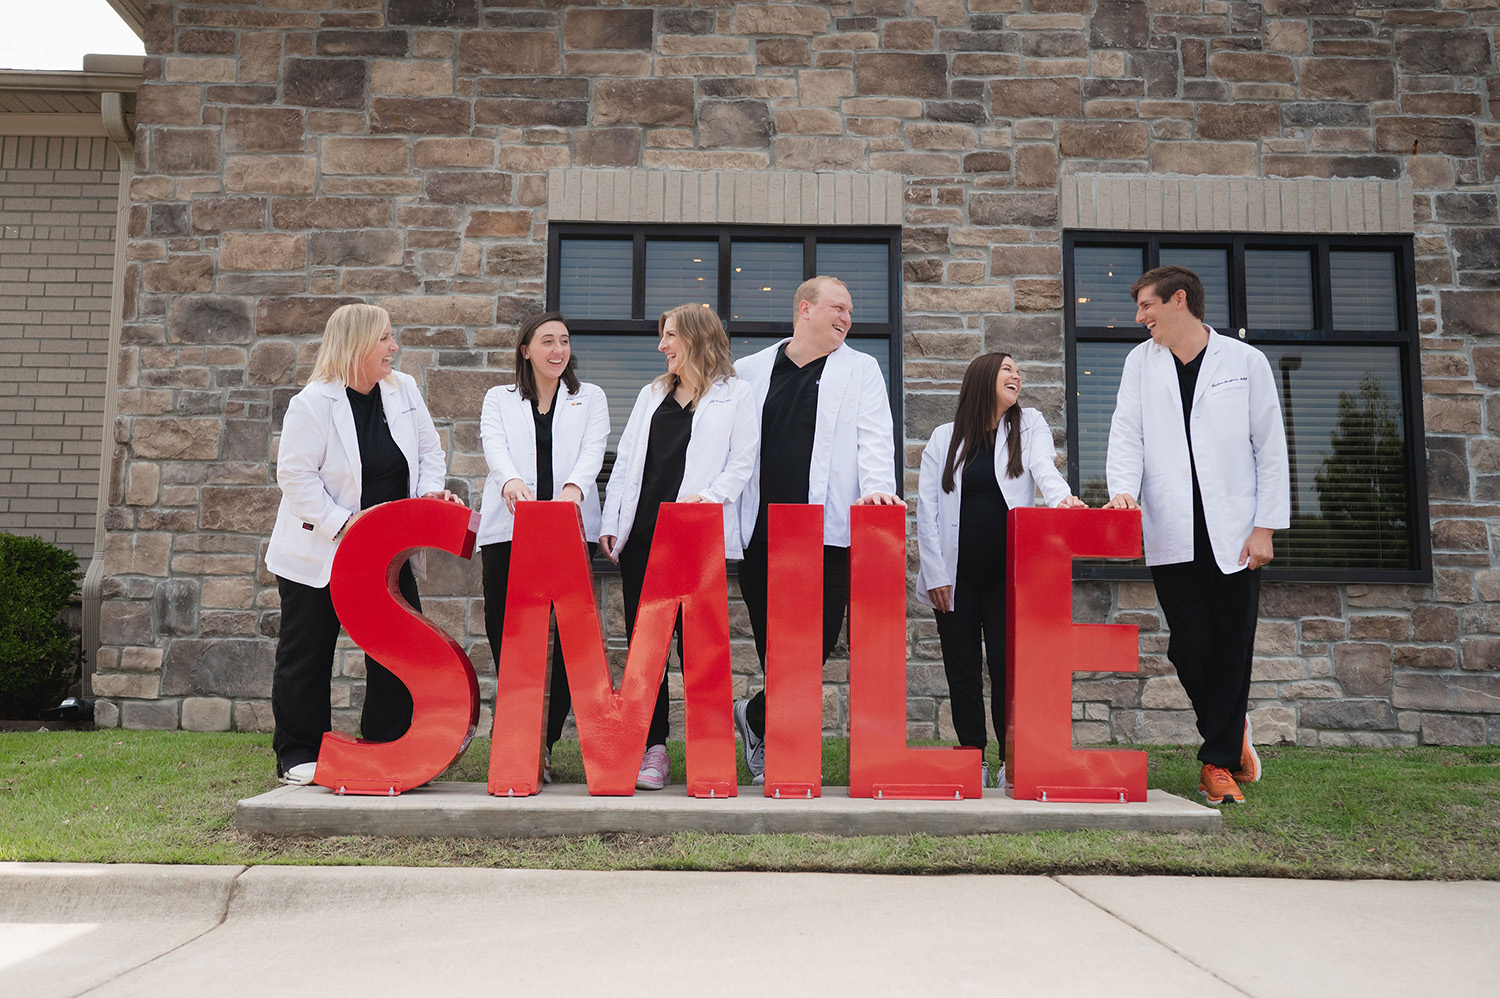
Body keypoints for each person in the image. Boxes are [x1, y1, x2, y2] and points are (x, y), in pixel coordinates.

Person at [1104, 265, 1290, 805]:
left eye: (1147, 307)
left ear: (1178, 300)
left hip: (1235, 529)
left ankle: (1218, 761)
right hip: (1172, 525)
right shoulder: (1141, 363)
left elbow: (1270, 448)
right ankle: (1231, 728)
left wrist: (1264, 528)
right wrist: (1123, 491)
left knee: (1232, 643)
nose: (1140, 318)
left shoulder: (1244, 361)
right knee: (1189, 646)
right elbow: (1126, 431)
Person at [264, 303, 464, 786]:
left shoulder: (405, 390)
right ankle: (298, 754)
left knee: (400, 653)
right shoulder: (312, 403)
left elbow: (428, 453)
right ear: (356, 344)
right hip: (320, 551)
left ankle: (389, 748)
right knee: (306, 655)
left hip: (385, 555)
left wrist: (430, 494)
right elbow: (295, 477)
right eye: (385, 339)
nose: (394, 348)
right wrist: (346, 523)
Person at [732, 276, 902, 785]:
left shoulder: (861, 369)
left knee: (818, 643)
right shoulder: (749, 371)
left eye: (851, 311)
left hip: (826, 533)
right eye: (838, 307)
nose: (847, 317)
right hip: (762, 532)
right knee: (773, 649)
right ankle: (780, 749)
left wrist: (877, 487)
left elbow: (875, 436)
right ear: (805, 308)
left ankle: (755, 716)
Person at [599, 305, 759, 790]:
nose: (662, 345)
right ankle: (653, 751)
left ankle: (709, 751)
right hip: (645, 533)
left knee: (698, 650)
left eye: (669, 336)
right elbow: (627, 461)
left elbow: (741, 463)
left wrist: (705, 500)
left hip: (694, 533)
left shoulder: (737, 395)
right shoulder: (653, 393)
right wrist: (612, 522)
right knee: (646, 650)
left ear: (695, 337)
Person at [916, 352, 1086, 789]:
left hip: (1009, 578)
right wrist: (935, 573)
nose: (1018, 375)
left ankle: (1014, 756)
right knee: (962, 666)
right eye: (1008, 368)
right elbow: (928, 509)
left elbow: (1045, 469)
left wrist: (1061, 499)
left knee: (1010, 666)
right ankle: (973, 755)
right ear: (984, 377)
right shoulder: (943, 438)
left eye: (1018, 370)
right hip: (955, 577)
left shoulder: (1028, 424)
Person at [477, 312, 609, 784]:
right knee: (507, 636)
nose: (558, 350)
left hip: (567, 530)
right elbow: (494, 445)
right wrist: (511, 481)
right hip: (511, 531)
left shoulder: (589, 397)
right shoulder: (499, 398)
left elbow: (594, 451)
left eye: (565, 341)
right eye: (547, 341)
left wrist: (572, 491)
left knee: (566, 640)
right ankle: (517, 736)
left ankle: (544, 745)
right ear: (525, 349)